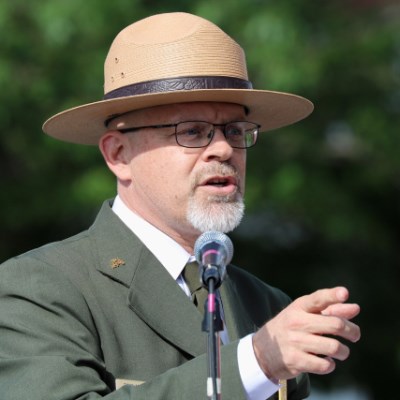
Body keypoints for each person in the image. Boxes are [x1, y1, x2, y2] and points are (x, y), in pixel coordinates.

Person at [0, 12, 360, 400]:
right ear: (119, 154)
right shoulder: (39, 288)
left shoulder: (266, 305)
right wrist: (256, 363)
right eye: (192, 131)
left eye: (234, 131)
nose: (223, 149)